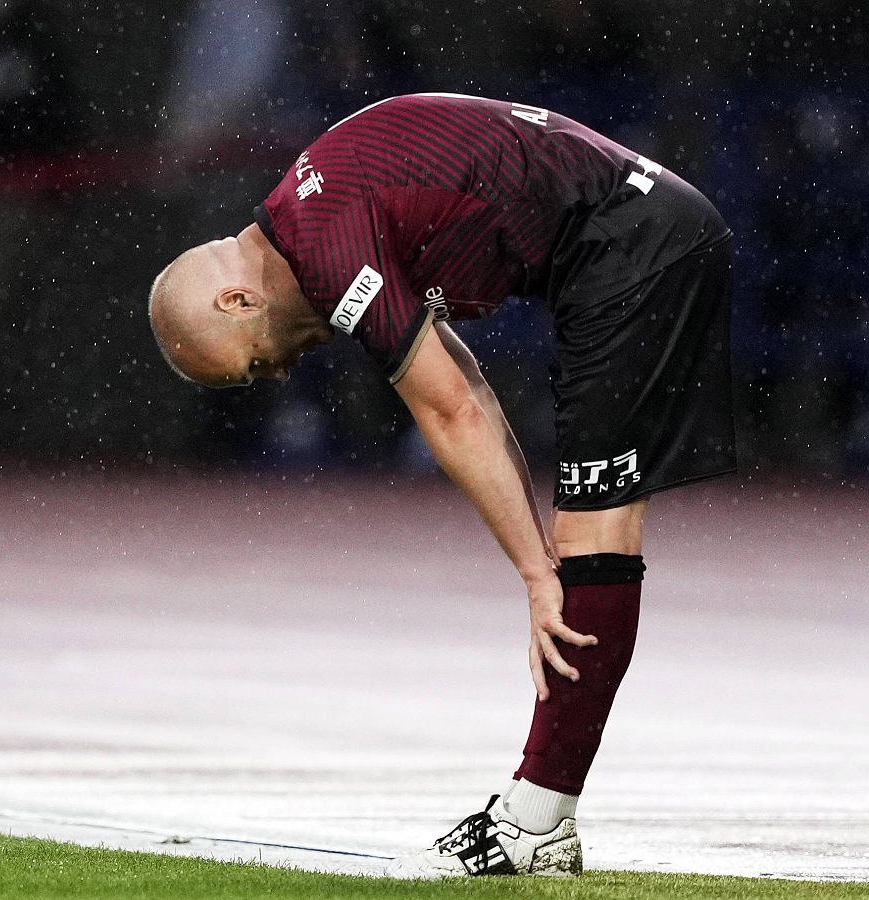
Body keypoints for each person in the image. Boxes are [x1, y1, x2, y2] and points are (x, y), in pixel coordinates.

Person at [148, 93, 734, 878]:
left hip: (632, 250)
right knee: (585, 532)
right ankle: (540, 813)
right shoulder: (313, 210)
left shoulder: (325, 245)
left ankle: (537, 823)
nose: (283, 371)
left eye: (254, 361)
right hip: (636, 235)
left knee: (592, 537)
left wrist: (535, 574)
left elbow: (450, 410)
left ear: (238, 299)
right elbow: (470, 387)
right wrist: (534, 558)